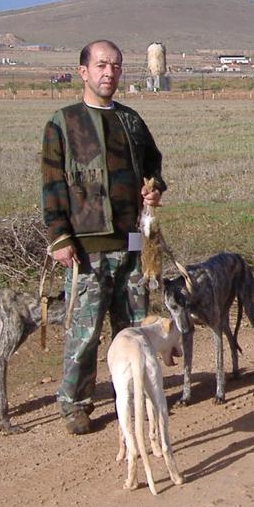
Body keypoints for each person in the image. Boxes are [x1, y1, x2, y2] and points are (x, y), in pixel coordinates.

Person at [41, 39, 166, 434]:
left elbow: (153, 163)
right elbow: (52, 183)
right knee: (85, 331)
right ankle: (76, 403)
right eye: (100, 65)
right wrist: (60, 237)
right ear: (83, 72)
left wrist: (155, 187)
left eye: (115, 66)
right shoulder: (62, 124)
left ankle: (136, 392)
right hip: (85, 249)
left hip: (132, 244)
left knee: (134, 326)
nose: (109, 72)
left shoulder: (131, 121)